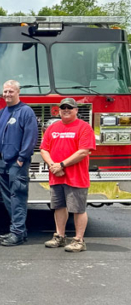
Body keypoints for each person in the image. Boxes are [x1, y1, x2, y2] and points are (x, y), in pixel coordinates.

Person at [40, 98, 95, 253]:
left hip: (76, 177)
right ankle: (60, 236)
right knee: (59, 207)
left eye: (69, 108)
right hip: (56, 175)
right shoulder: (53, 128)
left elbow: (83, 152)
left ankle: (79, 240)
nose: (66, 110)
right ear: (59, 110)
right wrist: (53, 165)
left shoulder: (84, 127)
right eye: (63, 107)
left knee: (78, 209)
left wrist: (62, 165)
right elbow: (44, 149)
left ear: (76, 110)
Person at [0, 80, 38, 247]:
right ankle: (18, 230)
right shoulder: (2, 112)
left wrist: (22, 158)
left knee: (18, 197)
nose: (7, 94)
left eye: (11, 91)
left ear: (18, 92)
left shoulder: (26, 111)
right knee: (8, 198)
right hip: (1, 162)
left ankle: (17, 233)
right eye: (5, 91)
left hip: (17, 163)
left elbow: (31, 137)